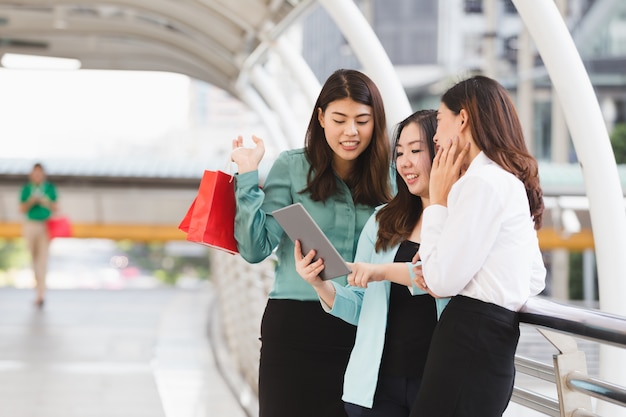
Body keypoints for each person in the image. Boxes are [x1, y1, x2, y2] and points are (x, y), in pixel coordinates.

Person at [231, 68, 393, 417]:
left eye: (362, 120)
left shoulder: (393, 176)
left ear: (376, 122)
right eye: (339, 119)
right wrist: (247, 175)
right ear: (321, 118)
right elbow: (255, 248)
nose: (351, 132)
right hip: (296, 327)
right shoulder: (291, 167)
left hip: (363, 327)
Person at [294, 109, 449, 417]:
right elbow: (364, 307)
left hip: (438, 383)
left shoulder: (460, 221)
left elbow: (439, 281)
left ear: (442, 152)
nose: (404, 162)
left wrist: (380, 272)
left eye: (416, 151)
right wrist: (320, 284)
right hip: (377, 387)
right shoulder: (383, 221)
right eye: (400, 153)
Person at [409, 75, 547, 417]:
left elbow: (440, 281)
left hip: (466, 339)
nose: (437, 138)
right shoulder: (506, 181)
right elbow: (534, 278)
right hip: (495, 344)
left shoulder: (478, 184)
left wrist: (437, 202)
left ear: (464, 118)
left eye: (440, 122)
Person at [19, 162, 58, 307]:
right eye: (35, 172)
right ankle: (37, 288)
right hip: (30, 225)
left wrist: (44, 201)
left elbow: (56, 206)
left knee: (43, 260)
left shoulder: (49, 188)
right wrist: (31, 201)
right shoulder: (27, 189)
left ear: (43, 174)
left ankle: (41, 294)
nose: (37, 175)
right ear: (31, 174)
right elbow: (21, 209)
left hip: (46, 225)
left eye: (40, 172)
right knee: (33, 259)